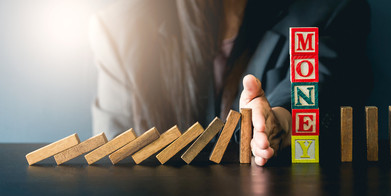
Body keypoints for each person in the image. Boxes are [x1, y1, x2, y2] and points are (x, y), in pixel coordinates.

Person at [90, 0, 372, 166]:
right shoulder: (121, 29)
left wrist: (279, 123)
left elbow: (309, 89)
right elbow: (114, 156)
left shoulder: (324, 11)